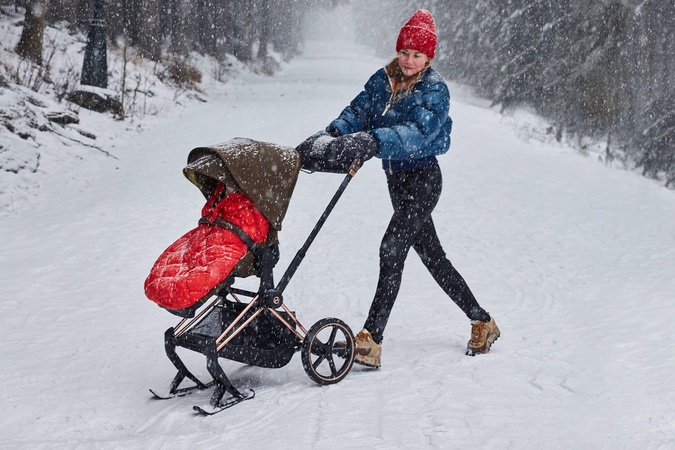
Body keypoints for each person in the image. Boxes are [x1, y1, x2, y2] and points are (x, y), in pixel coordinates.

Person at [299, 9, 499, 367]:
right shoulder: (383, 79)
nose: (409, 60)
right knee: (434, 259)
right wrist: (332, 135)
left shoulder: (435, 90)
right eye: (405, 52)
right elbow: (358, 111)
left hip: (423, 180)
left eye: (417, 55)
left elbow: (417, 135)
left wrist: (373, 142)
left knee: (392, 249)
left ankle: (371, 340)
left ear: (429, 58)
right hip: (397, 181)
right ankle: (482, 321)